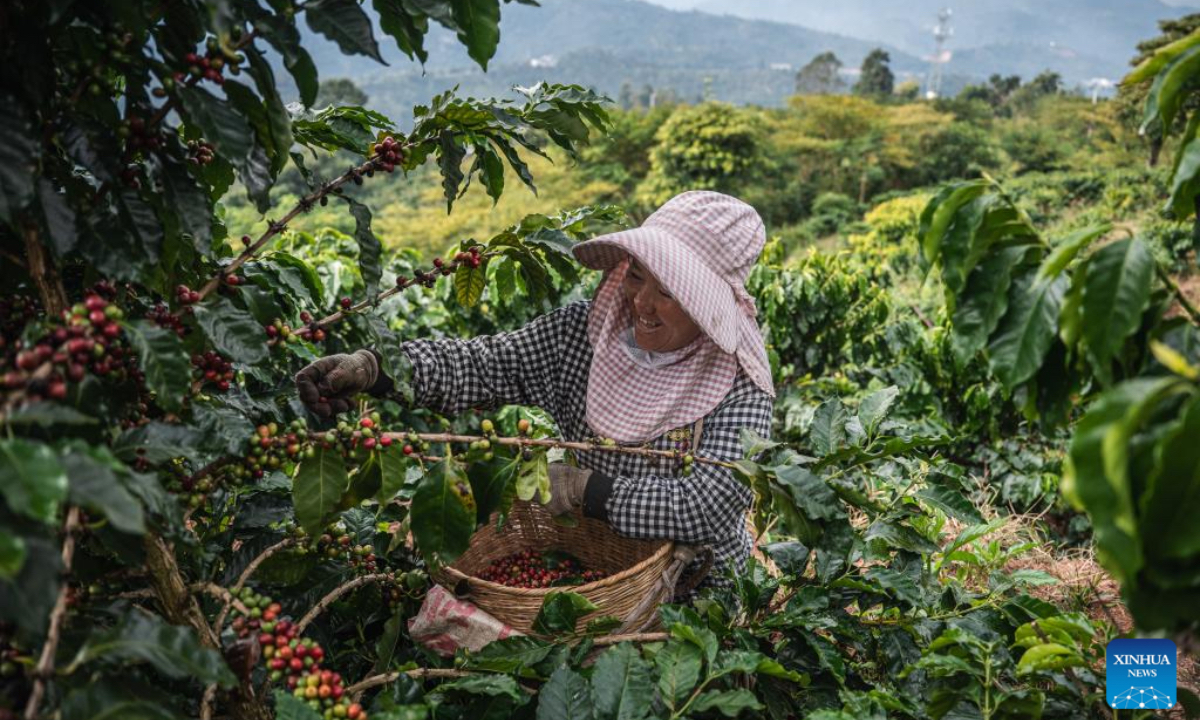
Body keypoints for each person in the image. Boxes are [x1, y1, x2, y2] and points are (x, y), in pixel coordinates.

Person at [294, 191, 776, 589]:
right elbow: (483, 364)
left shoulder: (739, 385)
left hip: (697, 589)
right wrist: (377, 369)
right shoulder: (580, 338)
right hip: (593, 569)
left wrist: (589, 489)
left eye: (668, 292)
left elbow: (708, 504)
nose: (642, 302)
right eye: (635, 276)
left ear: (706, 306)